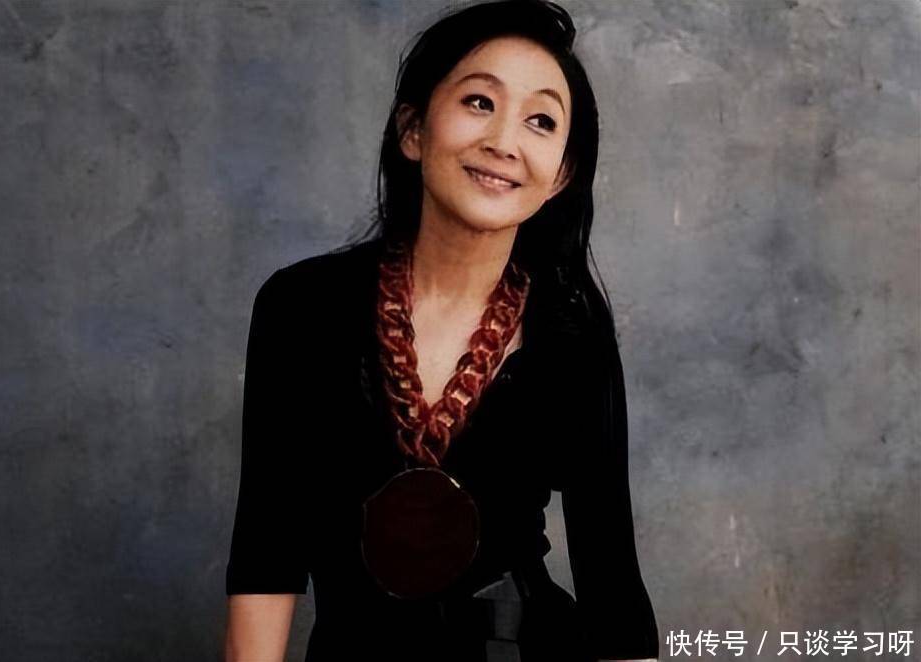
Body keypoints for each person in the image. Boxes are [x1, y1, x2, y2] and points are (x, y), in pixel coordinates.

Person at [223, 1, 659, 660]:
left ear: (560, 175)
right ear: (413, 130)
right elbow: (267, 553)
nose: (504, 141)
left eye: (541, 120)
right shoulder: (302, 306)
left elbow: (611, 583)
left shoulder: (573, 333)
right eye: (480, 102)